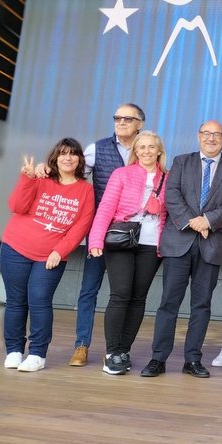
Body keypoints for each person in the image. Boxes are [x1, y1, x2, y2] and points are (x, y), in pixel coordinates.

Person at [140, 120, 222, 379]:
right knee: (169, 303)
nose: (211, 138)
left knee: (202, 305)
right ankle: (158, 358)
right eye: (206, 133)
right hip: (179, 241)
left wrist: (208, 221)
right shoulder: (181, 161)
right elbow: (172, 195)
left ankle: (193, 359)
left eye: (216, 134)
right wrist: (194, 222)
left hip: (211, 244)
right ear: (198, 136)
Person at [0, 139, 94, 372]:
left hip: (50, 256)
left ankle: (37, 354)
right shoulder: (40, 178)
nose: (68, 158)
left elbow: (81, 226)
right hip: (15, 247)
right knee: (15, 302)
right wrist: (27, 179)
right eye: (63, 153)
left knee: (40, 301)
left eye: (73, 154)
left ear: (80, 159)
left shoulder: (85, 190)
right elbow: (17, 206)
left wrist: (59, 251)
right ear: (55, 157)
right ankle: (13, 351)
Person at [86, 131, 168, 375]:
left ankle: (123, 351)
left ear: (159, 151)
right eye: (141, 147)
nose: (146, 151)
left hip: (152, 244)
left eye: (151, 147)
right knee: (120, 295)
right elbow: (105, 208)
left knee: (138, 298)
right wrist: (95, 239)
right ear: (136, 151)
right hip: (122, 240)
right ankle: (111, 353)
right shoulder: (121, 174)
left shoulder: (168, 178)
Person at [71, 103, 146, 367]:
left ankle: (118, 350)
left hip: (133, 237)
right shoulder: (96, 149)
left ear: (140, 124)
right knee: (89, 289)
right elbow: (75, 180)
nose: (121, 122)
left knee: (125, 295)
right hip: (101, 233)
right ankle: (81, 345)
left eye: (128, 118)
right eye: (117, 117)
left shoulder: (147, 149)